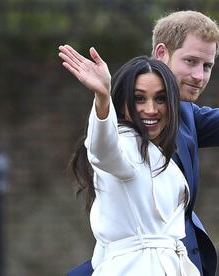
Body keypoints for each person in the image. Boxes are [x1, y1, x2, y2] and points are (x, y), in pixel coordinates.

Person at [61, 10, 219, 276]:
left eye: (207, 66)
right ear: (161, 53)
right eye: (191, 61)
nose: (199, 76)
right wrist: (102, 100)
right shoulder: (115, 124)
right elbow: (103, 150)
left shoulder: (186, 115)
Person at [59, 51, 201, 275]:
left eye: (160, 98)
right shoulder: (125, 145)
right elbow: (103, 150)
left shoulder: (159, 154)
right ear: (123, 102)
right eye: (139, 98)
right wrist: (102, 99)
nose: (151, 109)